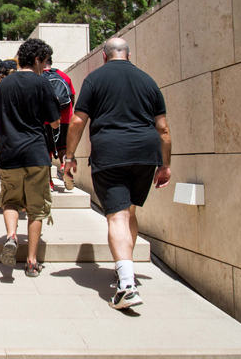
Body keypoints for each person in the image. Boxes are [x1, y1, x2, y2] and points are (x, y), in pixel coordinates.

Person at [64, 37, 172, 310]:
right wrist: (165, 164)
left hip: (111, 152)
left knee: (117, 215)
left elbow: (78, 120)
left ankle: (126, 284)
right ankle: (126, 269)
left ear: (104, 56)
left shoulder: (95, 79)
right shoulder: (148, 81)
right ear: (129, 54)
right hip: (146, 154)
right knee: (130, 211)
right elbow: (164, 130)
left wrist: (69, 156)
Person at [0, 39, 60, 277]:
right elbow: (55, 120)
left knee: (10, 200)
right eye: (45, 61)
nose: (46, 66)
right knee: (36, 209)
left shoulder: (4, 85)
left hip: (9, 153)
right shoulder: (42, 83)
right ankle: (31, 261)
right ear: (37, 60)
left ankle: (10, 237)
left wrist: (0, 144)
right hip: (36, 153)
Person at [42, 48, 77, 191]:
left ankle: (49, 181)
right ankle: (64, 166)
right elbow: (72, 97)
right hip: (65, 119)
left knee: (46, 151)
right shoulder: (63, 76)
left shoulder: (39, 77)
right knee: (63, 147)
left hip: (45, 120)